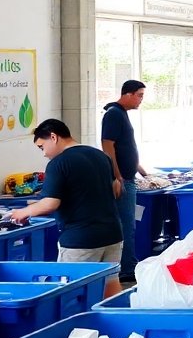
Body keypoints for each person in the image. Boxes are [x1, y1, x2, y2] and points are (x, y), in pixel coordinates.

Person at [12, 120, 123, 298]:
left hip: (81, 239)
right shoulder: (100, 156)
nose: (44, 154)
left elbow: (50, 203)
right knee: (110, 282)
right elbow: (115, 189)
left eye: (42, 147)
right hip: (113, 234)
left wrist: (22, 213)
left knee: (72, 293)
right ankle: (117, 315)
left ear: (53, 137)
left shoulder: (59, 163)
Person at [101, 79, 145, 282]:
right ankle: (127, 268)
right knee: (126, 225)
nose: (141, 100)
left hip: (128, 177)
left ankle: (128, 264)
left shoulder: (121, 114)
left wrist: (143, 172)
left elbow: (127, 148)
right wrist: (117, 176)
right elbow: (107, 146)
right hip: (123, 180)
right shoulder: (113, 114)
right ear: (128, 94)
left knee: (129, 224)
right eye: (139, 95)